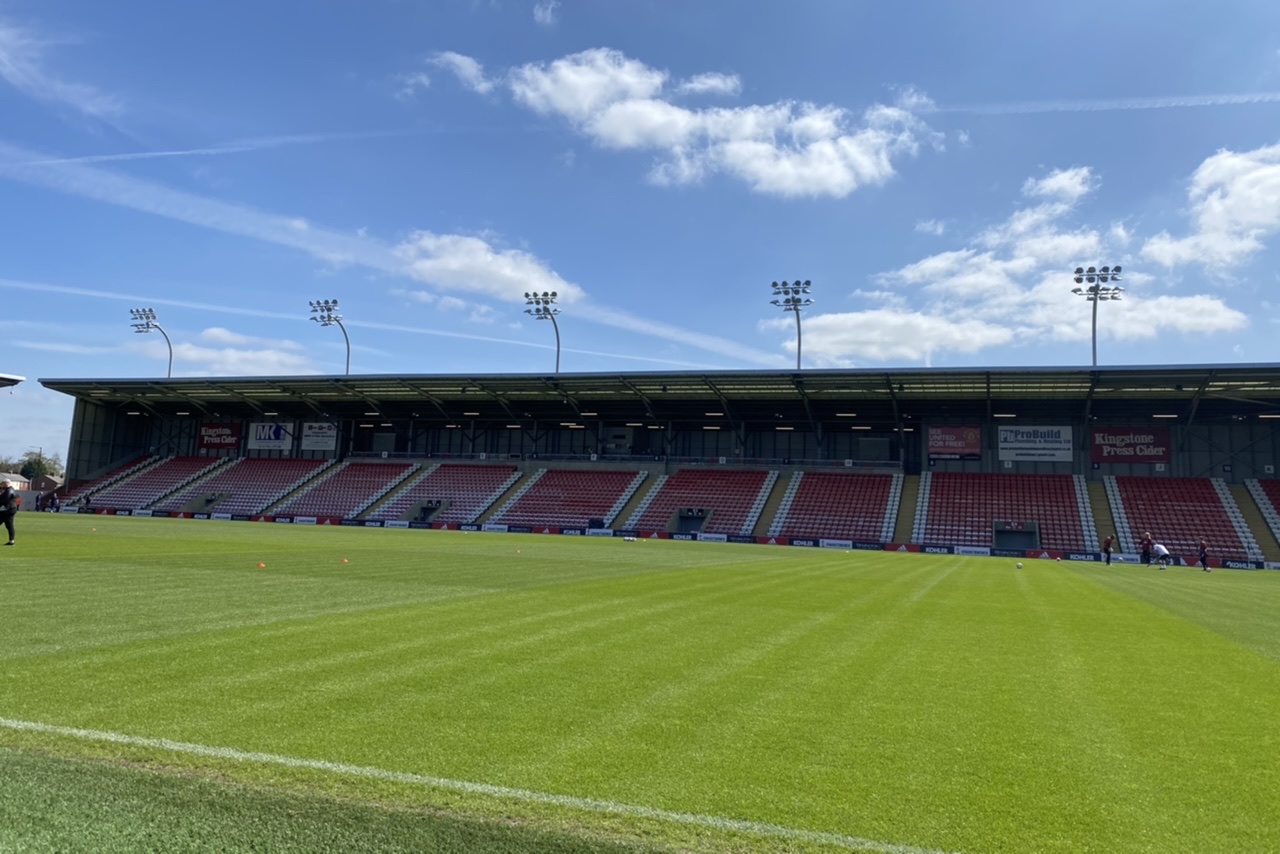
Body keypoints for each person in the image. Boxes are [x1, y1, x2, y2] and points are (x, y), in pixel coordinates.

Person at [0, 479, 18, 546]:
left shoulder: (9, 491)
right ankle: (11, 541)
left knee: (9, 525)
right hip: (11, 509)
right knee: (9, 525)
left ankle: (11, 541)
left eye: (2, 483)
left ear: (6, 483)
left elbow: (3, 499)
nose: (1, 485)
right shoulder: (9, 489)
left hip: (8, 510)